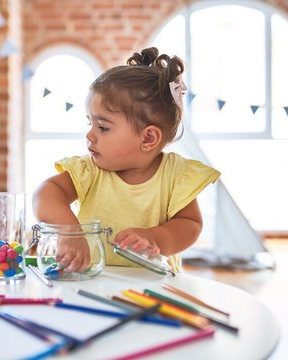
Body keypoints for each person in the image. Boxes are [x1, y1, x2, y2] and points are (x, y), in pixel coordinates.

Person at [32, 47, 220, 274]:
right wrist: (69, 230)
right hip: (91, 281)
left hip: (154, 288)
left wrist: (155, 237)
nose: (90, 135)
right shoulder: (89, 170)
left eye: (103, 127)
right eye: (89, 123)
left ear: (148, 138)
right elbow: (45, 193)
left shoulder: (175, 175)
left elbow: (190, 225)